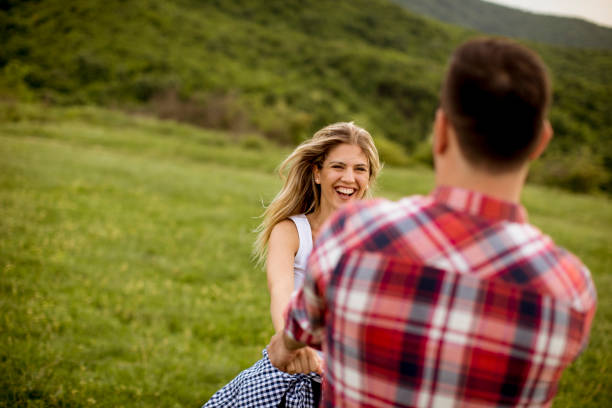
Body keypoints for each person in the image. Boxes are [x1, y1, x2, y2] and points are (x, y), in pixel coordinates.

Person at [268, 37, 597, 407]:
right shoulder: (571, 290)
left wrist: (284, 347)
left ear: (440, 131)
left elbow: (294, 334)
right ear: (541, 142)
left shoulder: (355, 234)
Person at [203, 122, 381, 407]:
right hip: (295, 371)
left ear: (369, 178)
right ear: (317, 173)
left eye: (360, 169)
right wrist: (293, 345)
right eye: (338, 166)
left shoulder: (377, 238)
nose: (349, 178)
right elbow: (281, 290)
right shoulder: (291, 232)